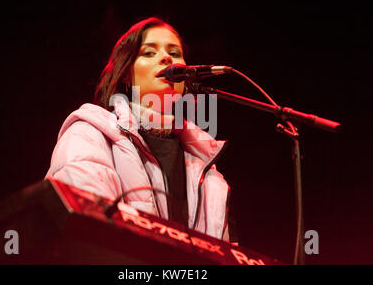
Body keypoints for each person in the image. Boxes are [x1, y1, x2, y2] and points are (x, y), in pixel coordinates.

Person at [45, 17, 233, 242]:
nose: (166, 58)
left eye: (174, 53)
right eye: (148, 53)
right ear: (125, 73)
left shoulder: (208, 170)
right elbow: (88, 235)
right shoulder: (90, 134)